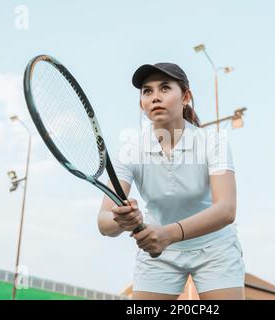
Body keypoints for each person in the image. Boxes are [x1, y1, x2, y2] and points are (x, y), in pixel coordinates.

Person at [98, 62, 245, 300]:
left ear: (185, 96)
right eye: (148, 91)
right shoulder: (130, 150)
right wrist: (121, 219)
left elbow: (226, 210)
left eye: (165, 88)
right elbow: (104, 222)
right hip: (158, 252)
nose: (155, 97)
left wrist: (168, 234)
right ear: (141, 103)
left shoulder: (212, 142)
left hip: (215, 248)